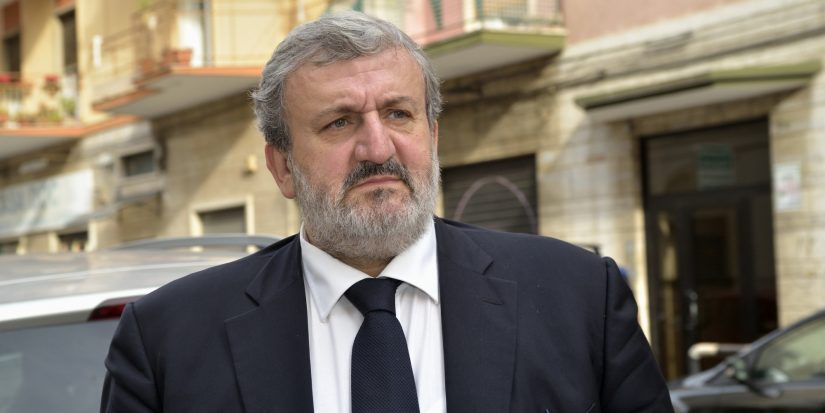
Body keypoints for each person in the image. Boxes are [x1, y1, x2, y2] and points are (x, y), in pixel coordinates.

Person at [100, 11, 674, 413]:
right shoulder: (169, 339)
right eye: (339, 122)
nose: (377, 148)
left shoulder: (579, 297)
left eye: (399, 114)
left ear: (433, 136)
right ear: (281, 167)